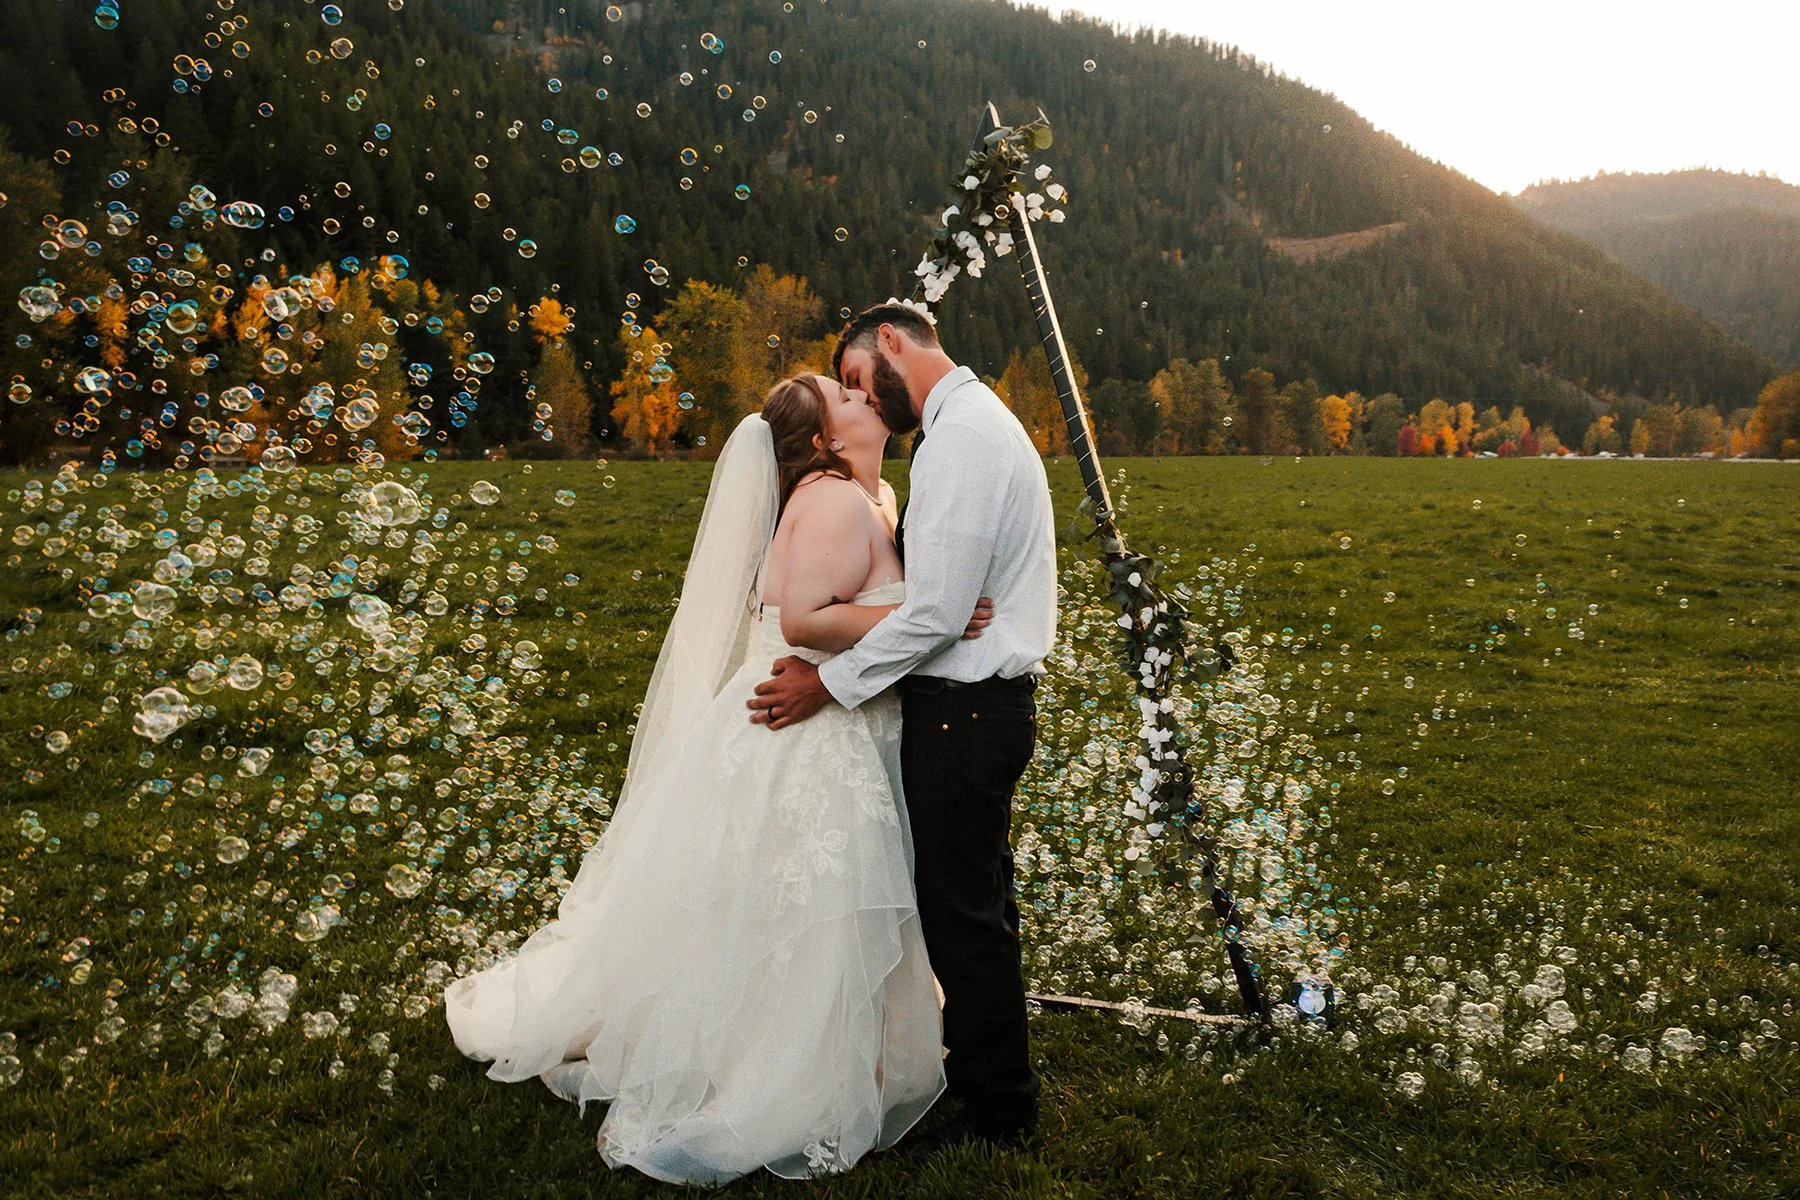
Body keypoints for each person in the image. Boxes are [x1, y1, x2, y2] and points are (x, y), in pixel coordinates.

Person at [443, 374, 993, 1184]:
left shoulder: (869, 498)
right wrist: (936, 614)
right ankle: (783, 1060)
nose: (859, 395)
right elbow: (807, 620)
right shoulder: (836, 500)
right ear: (823, 443)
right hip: (805, 724)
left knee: (802, 894)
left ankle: (855, 1034)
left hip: (838, 717)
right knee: (813, 898)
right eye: (839, 396)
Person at [748, 303, 1058, 1150]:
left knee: (961, 912)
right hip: (967, 709)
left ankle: (999, 1112)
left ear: (890, 344)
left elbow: (933, 617)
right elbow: (937, 604)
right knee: (973, 902)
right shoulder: (966, 425)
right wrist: (931, 605)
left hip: (966, 712)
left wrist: (825, 683)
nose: (863, 399)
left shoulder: (961, 439)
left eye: (855, 378)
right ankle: (990, 1079)